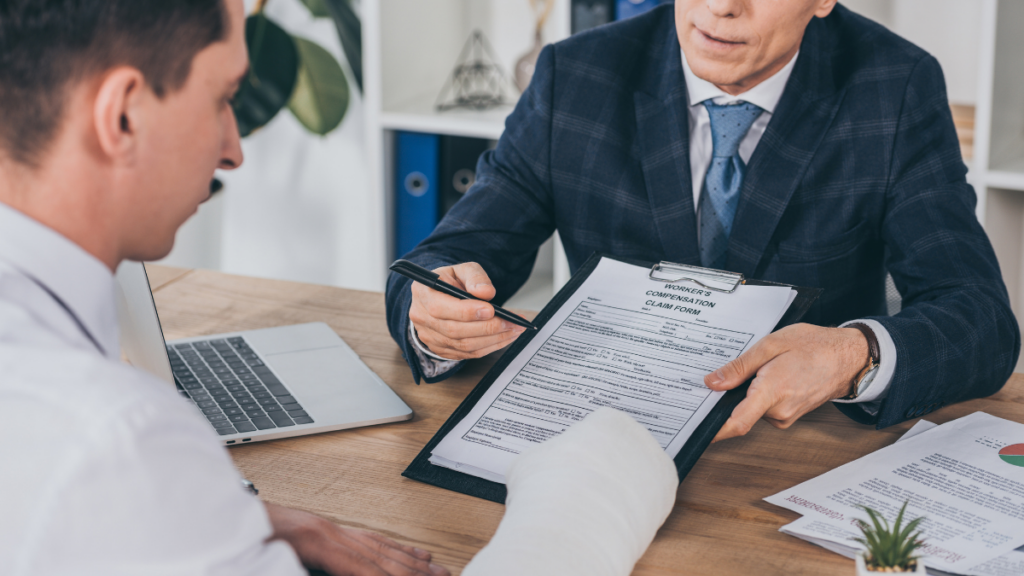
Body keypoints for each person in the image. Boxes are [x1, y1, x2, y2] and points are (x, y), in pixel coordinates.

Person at [386, 0, 1020, 439]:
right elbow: (445, 255)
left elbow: (982, 320)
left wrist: (853, 352)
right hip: (600, 428)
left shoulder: (895, 84)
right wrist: (435, 311)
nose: (721, 7)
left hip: (793, 444)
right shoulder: (574, 74)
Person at [0, 1, 449, 574]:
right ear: (122, 118)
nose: (233, 152)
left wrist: (225, 515)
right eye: (222, 99)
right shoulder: (117, 440)